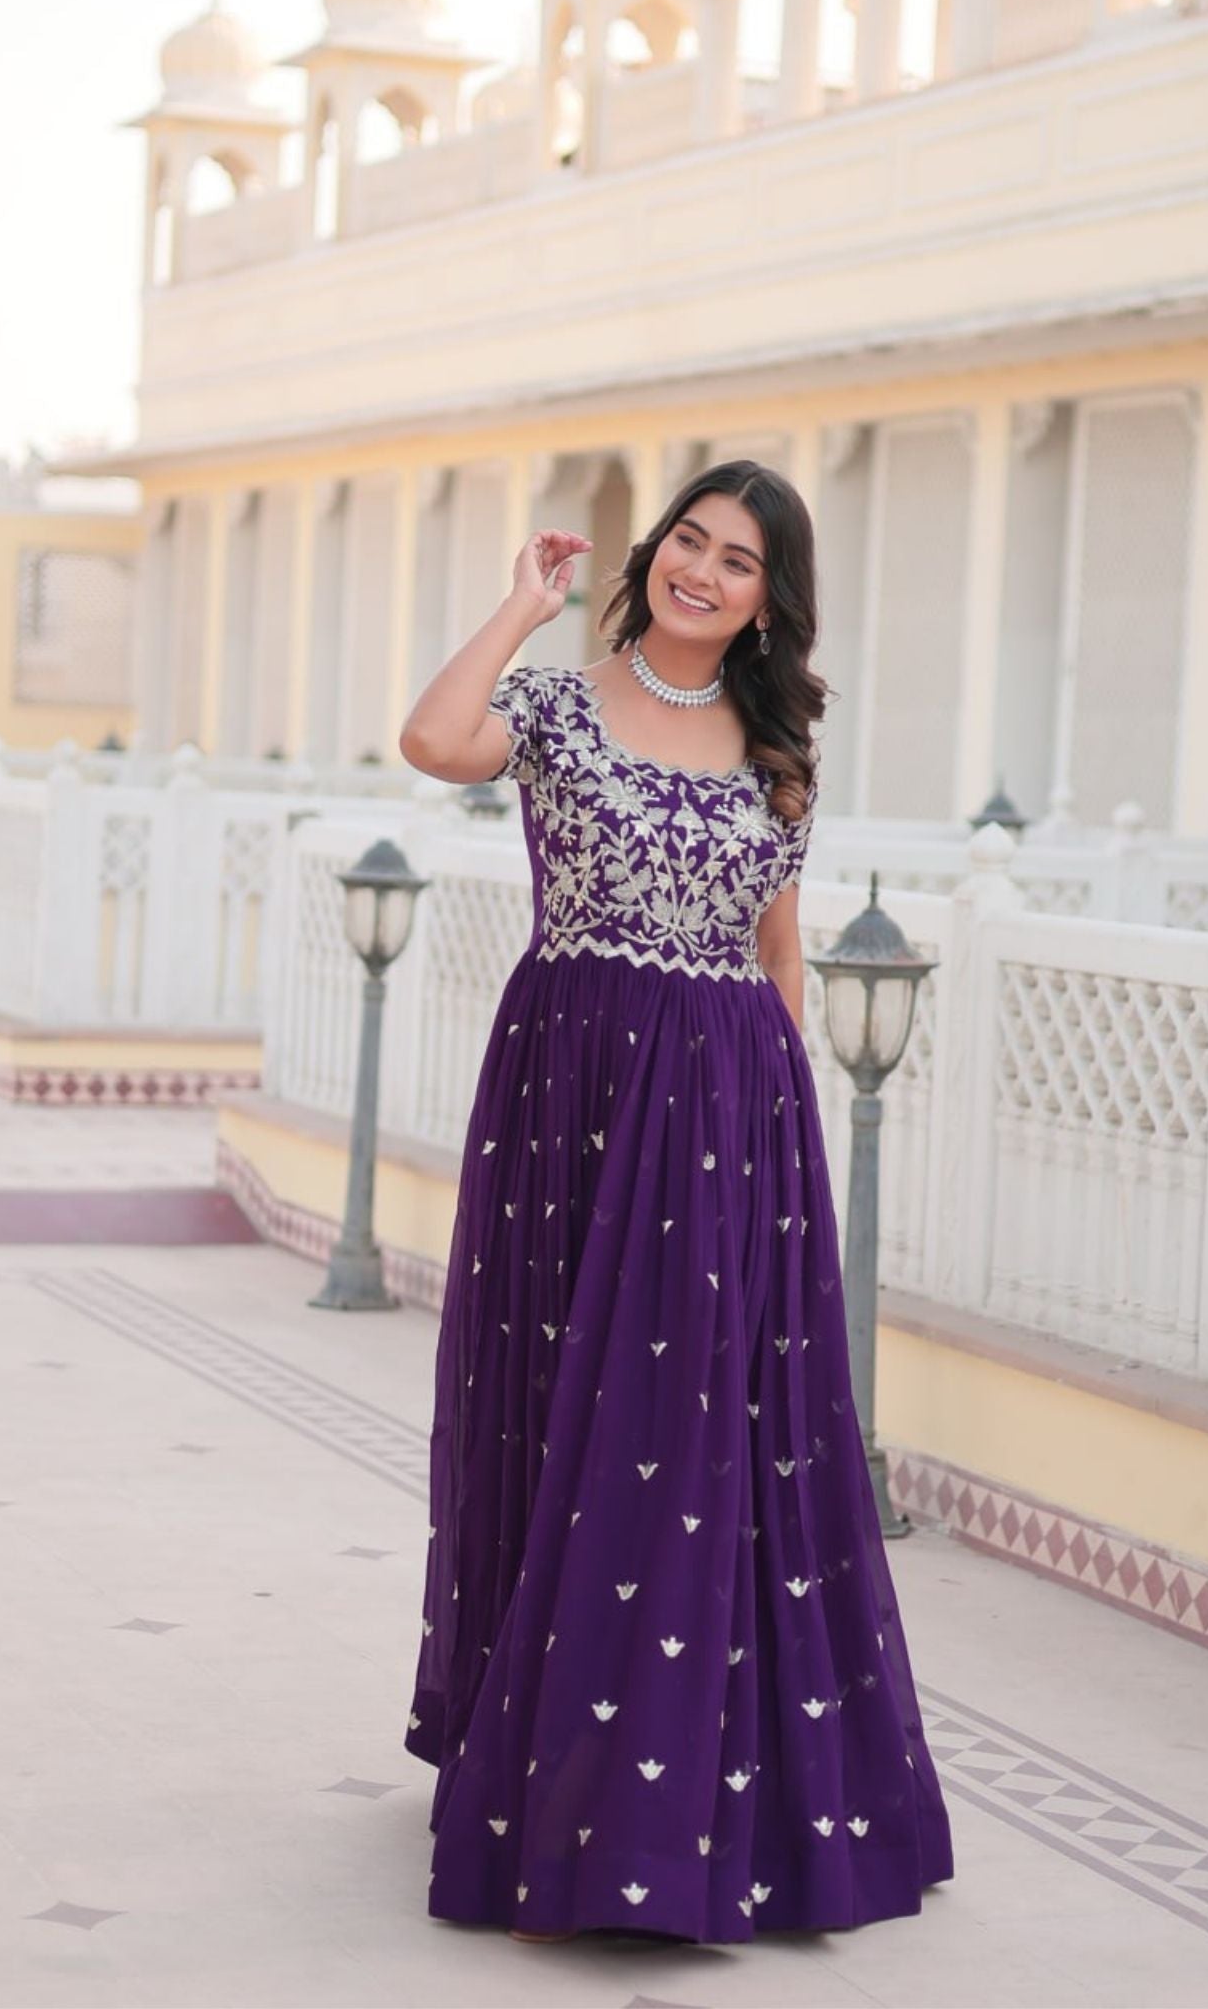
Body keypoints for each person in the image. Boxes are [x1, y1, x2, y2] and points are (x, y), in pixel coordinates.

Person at [397, 459, 954, 1946]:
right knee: (556, 1411)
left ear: (772, 600)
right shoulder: (566, 704)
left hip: (726, 1115)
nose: (703, 572)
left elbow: (779, 951)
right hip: (569, 1095)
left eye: (739, 562)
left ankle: (697, 1800)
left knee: (697, 1436)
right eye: (688, 543)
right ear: (653, 554)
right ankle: (545, 1775)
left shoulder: (774, 750)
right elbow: (435, 739)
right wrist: (522, 605)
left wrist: (786, 1144)